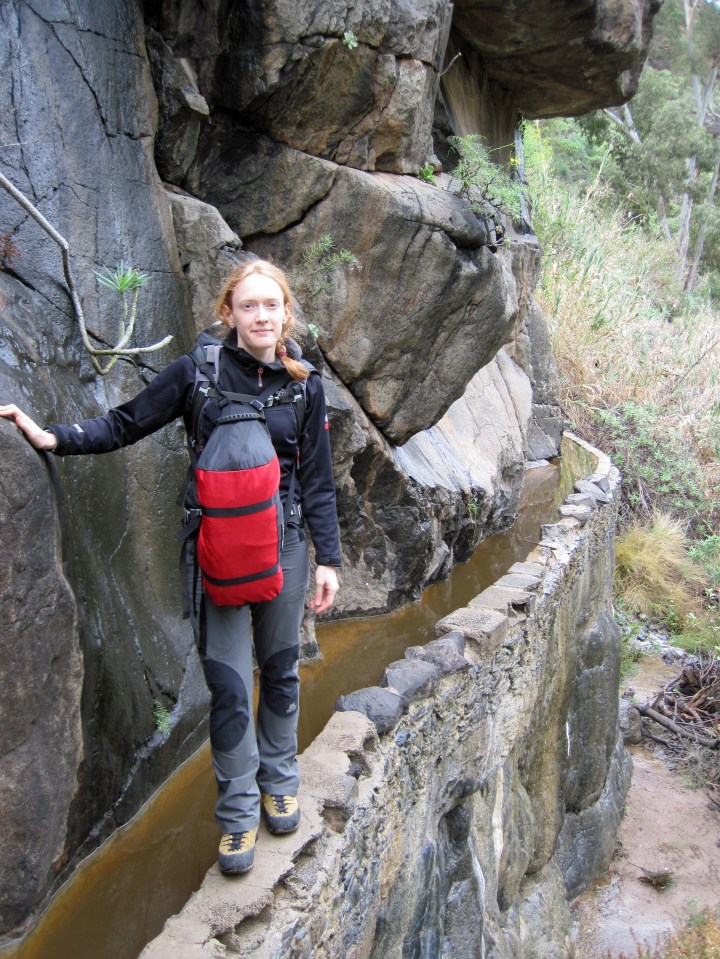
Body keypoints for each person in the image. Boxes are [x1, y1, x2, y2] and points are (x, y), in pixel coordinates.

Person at [0, 259, 341, 875]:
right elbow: (126, 422)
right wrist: (54, 436)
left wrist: (328, 560)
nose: (261, 316)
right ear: (228, 313)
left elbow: (317, 480)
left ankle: (279, 781)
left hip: (286, 547)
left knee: (283, 672)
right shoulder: (197, 373)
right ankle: (238, 819)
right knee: (232, 689)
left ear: (285, 311)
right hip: (213, 553)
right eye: (249, 306)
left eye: (271, 305)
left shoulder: (305, 382)